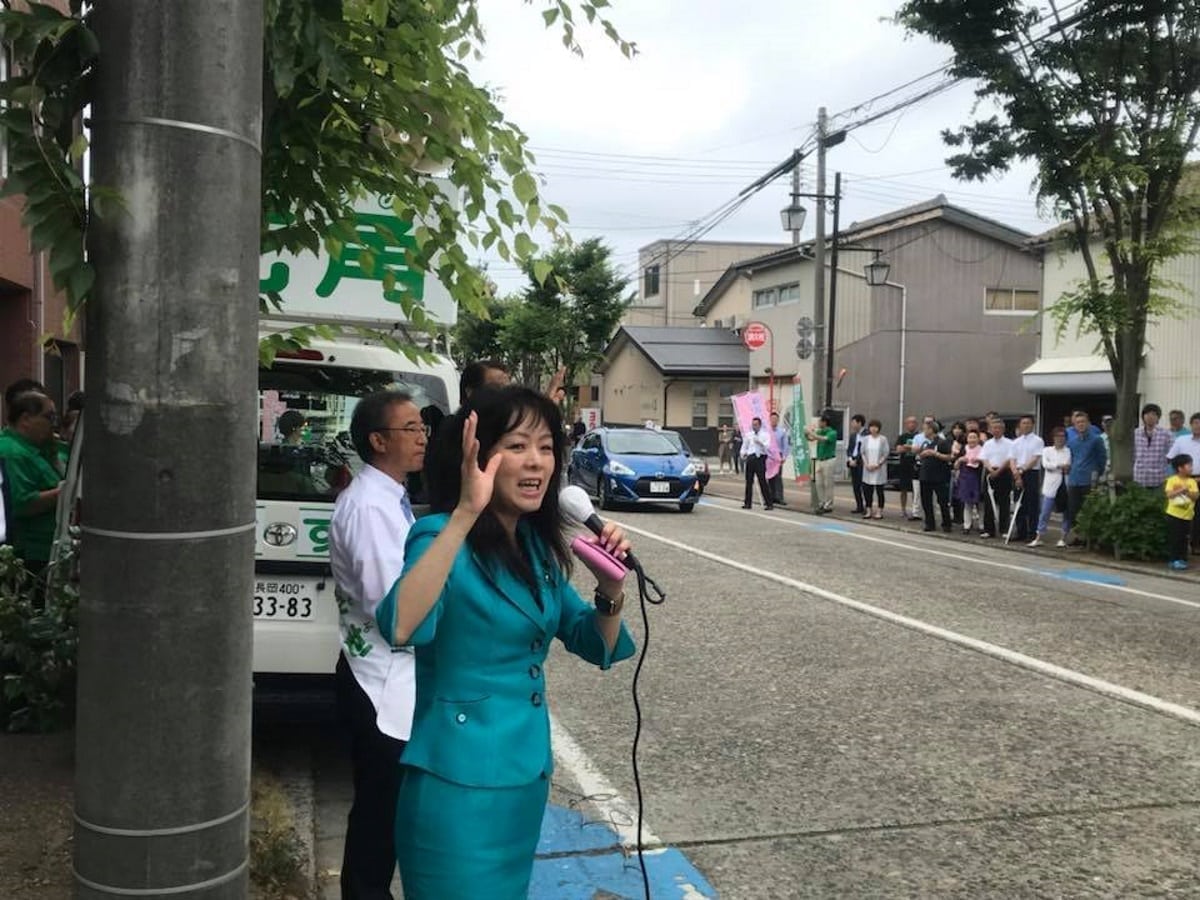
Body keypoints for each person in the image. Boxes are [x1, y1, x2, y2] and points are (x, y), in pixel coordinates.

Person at [374, 386, 636, 899]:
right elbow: (401, 625)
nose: (536, 461)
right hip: (456, 787)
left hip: (523, 777)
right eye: (517, 446)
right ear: (476, 455)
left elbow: (595, 643)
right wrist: (466, 513)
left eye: (545, 446)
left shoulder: (535, 546)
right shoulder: (437, 536)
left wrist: (610, 590)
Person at [329, 391, 428, 899]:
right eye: (409, 428)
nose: (421, 437)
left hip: (384, 673)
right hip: (378, 681)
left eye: (421, 428)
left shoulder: (389, 497)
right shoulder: (370, 507)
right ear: (377, 440)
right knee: (378, 810)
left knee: (384, 807)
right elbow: (390, 607)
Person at [0, 391, 63, 573]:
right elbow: (20, 504)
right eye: (49, 417)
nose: (53, 424)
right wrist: (65, 491)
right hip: (29, 554)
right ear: (26, 419)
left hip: (46, 548)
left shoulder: (34, 449)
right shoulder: (12, 452)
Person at [1065, 410, 1107, 545]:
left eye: (1083, 422)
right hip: (1074, 479)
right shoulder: (1072, 441)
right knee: (1073, 510)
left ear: (1088, 423)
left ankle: (1089, 538)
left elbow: (1102, 459)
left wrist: (1097, 473)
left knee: (1088, 509)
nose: (1081, 425)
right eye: (1078, 423)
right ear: (1074, 425)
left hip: (1089, 479)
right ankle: (1077, 536)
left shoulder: (1096, 439)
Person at [1029, 426, 1071, 548]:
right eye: (1058, 436)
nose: (1060, 439)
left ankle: (1063, 537)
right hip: (1050, 485)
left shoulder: (1068, 450)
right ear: (1053, 438)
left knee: (1066, 513)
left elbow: (1068, 465)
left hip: (1065, 485)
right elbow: (1046, 465)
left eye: (1063, 436)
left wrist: (1058, 466)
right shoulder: (1047, 450)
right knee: (1045, 512)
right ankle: (1039, 536)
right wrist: (1059, 465)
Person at [1167, 414, 1200, 553]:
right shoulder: (1182, 440)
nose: (1198, 425)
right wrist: (1181, 477)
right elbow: (1170, 458)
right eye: (1196, 422)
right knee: (1181, 511)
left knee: (1198, 514)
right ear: (1191, 424)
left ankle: (1196, 545)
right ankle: (1180, 547)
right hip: (1182, 480)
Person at [1010, 415, 1044, 542]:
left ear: (1033, 425)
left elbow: (1035, 458)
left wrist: (1022, 470)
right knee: (1019, 503)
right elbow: (1012, 459)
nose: (1026, 425)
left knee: (1032, 504)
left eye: (1028, 423)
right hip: (1017, 473)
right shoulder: (1016, 442)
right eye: (1023, 423)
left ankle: (1032, 532)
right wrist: (1015, 473)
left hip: (1031, 473)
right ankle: (1021, 531)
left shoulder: (1038, 440)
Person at [979, 418, 1015, 539]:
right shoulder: (987, 443)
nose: (996, 430)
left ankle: (1004, 529)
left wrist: (999, 471)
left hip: (1004, 472)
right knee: (988, 502)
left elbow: (1010, 459)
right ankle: (989, 530)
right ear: (990, 429)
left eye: (999, 428)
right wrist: (990, 470)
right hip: (990, 473)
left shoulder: (1010, 443)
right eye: (994, 428)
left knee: (1004, 502)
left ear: (1003, 429)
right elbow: (984, 458)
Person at [916, 419, 953, 532]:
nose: (924, 432)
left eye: (925, 429)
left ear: (931, 430)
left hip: (939, 476)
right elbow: (919, 456)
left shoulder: (942, 442)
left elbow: (949, 457)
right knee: (926, 501)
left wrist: (935, 453)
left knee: (942, 501)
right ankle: (929, 523)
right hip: (925, 475)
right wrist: (921, 455)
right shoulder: (926, 443)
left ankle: (946, 524)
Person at [1164, 454, 1198, 571]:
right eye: (1188, 465)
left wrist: (1187, 491)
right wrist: (1180, 490)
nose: (1191, 468)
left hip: (1187, 516)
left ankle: (1182, 559)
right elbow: (1169, 494)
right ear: (1180, 468)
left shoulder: (1192, 482)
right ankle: (1173, 560)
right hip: (1174, 515)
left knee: (1185, 538)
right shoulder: (1172, 480)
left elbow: (1195, 496)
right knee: (1175, 538)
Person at [1131, 403, 1174, 487]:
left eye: (1153, 414)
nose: (1150, 416)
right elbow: (1132, 454)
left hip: (1159, 478)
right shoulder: (1135, 433)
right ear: (1143, 416)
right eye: (1147, 414)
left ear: (1158, 417)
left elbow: (1171, 455)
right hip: (1139, 477)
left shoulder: (1167, 434)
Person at [954, 429, 984, 534]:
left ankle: (982, 526)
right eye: (970, 437)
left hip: (978, 478)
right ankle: (967, 525)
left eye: (974, 437)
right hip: (965, 478)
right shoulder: (963, 449)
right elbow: (956, 465)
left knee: (980, 503)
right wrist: (960, 460)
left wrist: (980, 460)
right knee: (967, 504)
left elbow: (986, 463)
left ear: (978, 439)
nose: (972, 440)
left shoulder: (982, 450)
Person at [805, 414, 837, 513]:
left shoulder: (832, 432)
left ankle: (828, 504)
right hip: (820, 460)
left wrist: (811, 433)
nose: (819, 423)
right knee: (819, 482)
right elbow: (811, 438)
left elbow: (823, 439)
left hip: (829, 460)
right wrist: (806, 434)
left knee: (828, 483)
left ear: (825, 422)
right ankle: (822, 502)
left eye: (820, 422)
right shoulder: (820, 431)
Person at [740, 416, 773, 510]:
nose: (754, 426)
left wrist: (760, 442)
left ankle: (769, 503)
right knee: (749, 481)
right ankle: (747, 503)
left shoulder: (765, 435)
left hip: (760, 458)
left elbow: (767, 447)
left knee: (762, 481)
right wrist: (742, 453)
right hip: (751, 457)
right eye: (753, 424)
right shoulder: (749, 435)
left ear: (760, 425)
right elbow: (744, 445)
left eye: (756, 425)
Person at [859, 419, 889, 519]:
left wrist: (878, 464)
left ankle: (879, 511)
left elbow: (885, 453)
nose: (873, 429)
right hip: (867, 468)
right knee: (867, 491)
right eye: (872, 426)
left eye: (876, 427)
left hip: (879, 469)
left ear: (879, 428)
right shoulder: (866, 439)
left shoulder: (883, 439)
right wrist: (866, 464)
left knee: (880, 491)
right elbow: (862, 452)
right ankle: (868, 510)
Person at [894, 416, 920, 521]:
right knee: (903, 488)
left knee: (916, 490)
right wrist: (908, 448)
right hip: (904, 464)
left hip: (916, 465)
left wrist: (908, 447)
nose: (911, 424)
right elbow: (898, 449)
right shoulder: (902, 436)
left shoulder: (919, 436)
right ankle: (903, 509)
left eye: (913, 422)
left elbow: (919, 449)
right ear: (906, 424)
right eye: (909, 423)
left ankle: (915, 510)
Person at [845, 414, 868, 514]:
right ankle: (859, 506)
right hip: (852, 460)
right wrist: (850, 459)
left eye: (853, 422)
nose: (852, 425)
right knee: (855, 485)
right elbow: (850, 449)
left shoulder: (867, 434)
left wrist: (857, 460)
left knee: (864, 485)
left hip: (862, 461)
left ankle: (868, 506)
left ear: (859, 423)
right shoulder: (853, 435)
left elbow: (863, 450)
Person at [947, 421, 967, 525]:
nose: (957, 430)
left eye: (959, 428)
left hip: (962, 470)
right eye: (955, 428)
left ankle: (961, 517)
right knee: (952, 494)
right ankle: (955, 515)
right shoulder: (949, 440)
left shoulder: (965, 442)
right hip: (951, 469)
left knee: (960, 493)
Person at [769, 412, 790, 506]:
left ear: (778, 420)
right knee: (769, 477)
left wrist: (784, 457)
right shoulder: (766, 431)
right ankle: (770, 497)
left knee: (778, 477)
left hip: (778, 456)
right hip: (769, 456)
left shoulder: (782, 431)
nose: (774, 421)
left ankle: (779, 497)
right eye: (772, 419)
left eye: (775, 419)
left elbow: (786, 445)